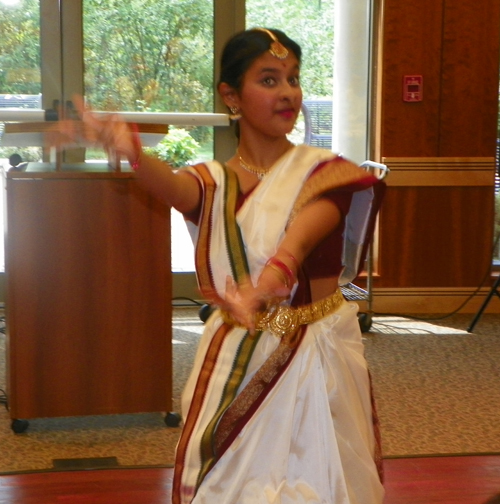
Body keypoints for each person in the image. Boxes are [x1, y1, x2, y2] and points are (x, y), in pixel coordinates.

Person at [54, 27, 384, 504]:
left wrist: (266, 285)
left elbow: (302, 235)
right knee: (227, 482)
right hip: (235, 350)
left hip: (312, 354)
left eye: (292, 78)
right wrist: (131, 154)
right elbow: (173, 188)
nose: (288, 92)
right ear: (231, 96)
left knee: (314, 483)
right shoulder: (213, 182)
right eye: (269, 80)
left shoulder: (324, 171)